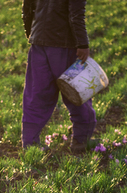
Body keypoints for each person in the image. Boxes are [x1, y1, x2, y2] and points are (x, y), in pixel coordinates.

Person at [22, 0, 97, 152]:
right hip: (65, 44)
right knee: (77, 92)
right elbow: (76, 15)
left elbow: (27, 8)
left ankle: (30, 145)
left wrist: (32, 33)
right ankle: (81, 141)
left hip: (38, 44)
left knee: (36, 96)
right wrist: (82, 44)